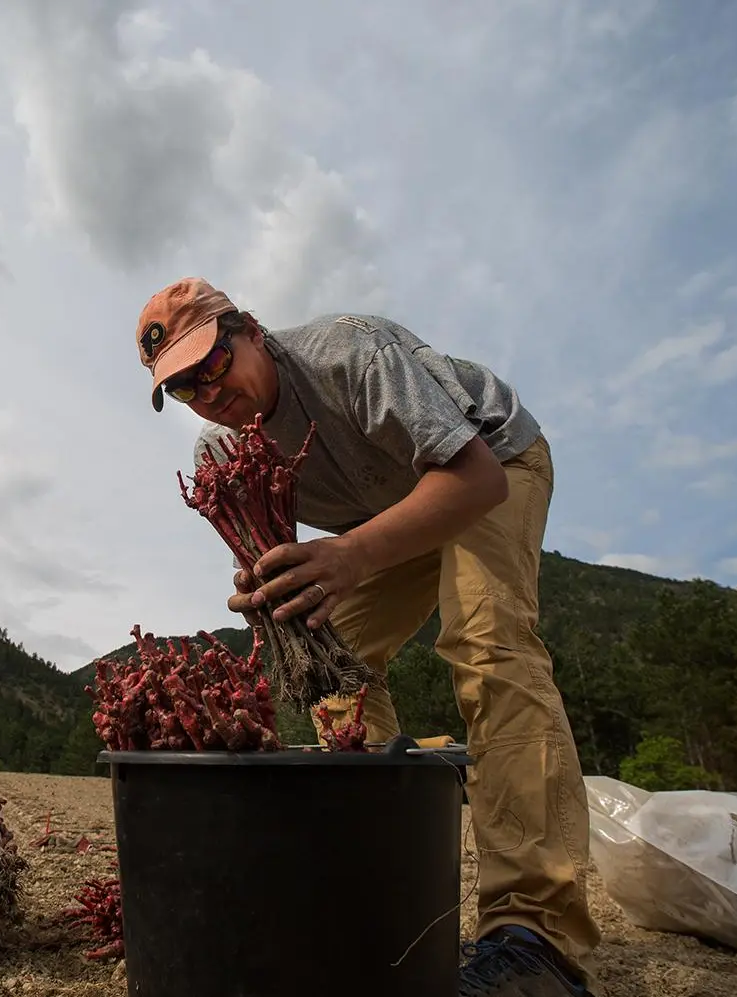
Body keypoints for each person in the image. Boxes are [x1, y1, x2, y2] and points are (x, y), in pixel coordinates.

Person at [131, 276, 602, 997]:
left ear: (251, 329)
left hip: (491, 463)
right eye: (185, 387)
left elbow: (473, 479)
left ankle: (537, 938)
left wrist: (349, 557)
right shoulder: (217, 453)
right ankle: (389, 871)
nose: (208, 392)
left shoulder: (352, 354)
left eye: (213, 364)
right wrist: (267, 593)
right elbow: (266, 560)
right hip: (396, 510)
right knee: (329, 663)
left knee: (487, 642)